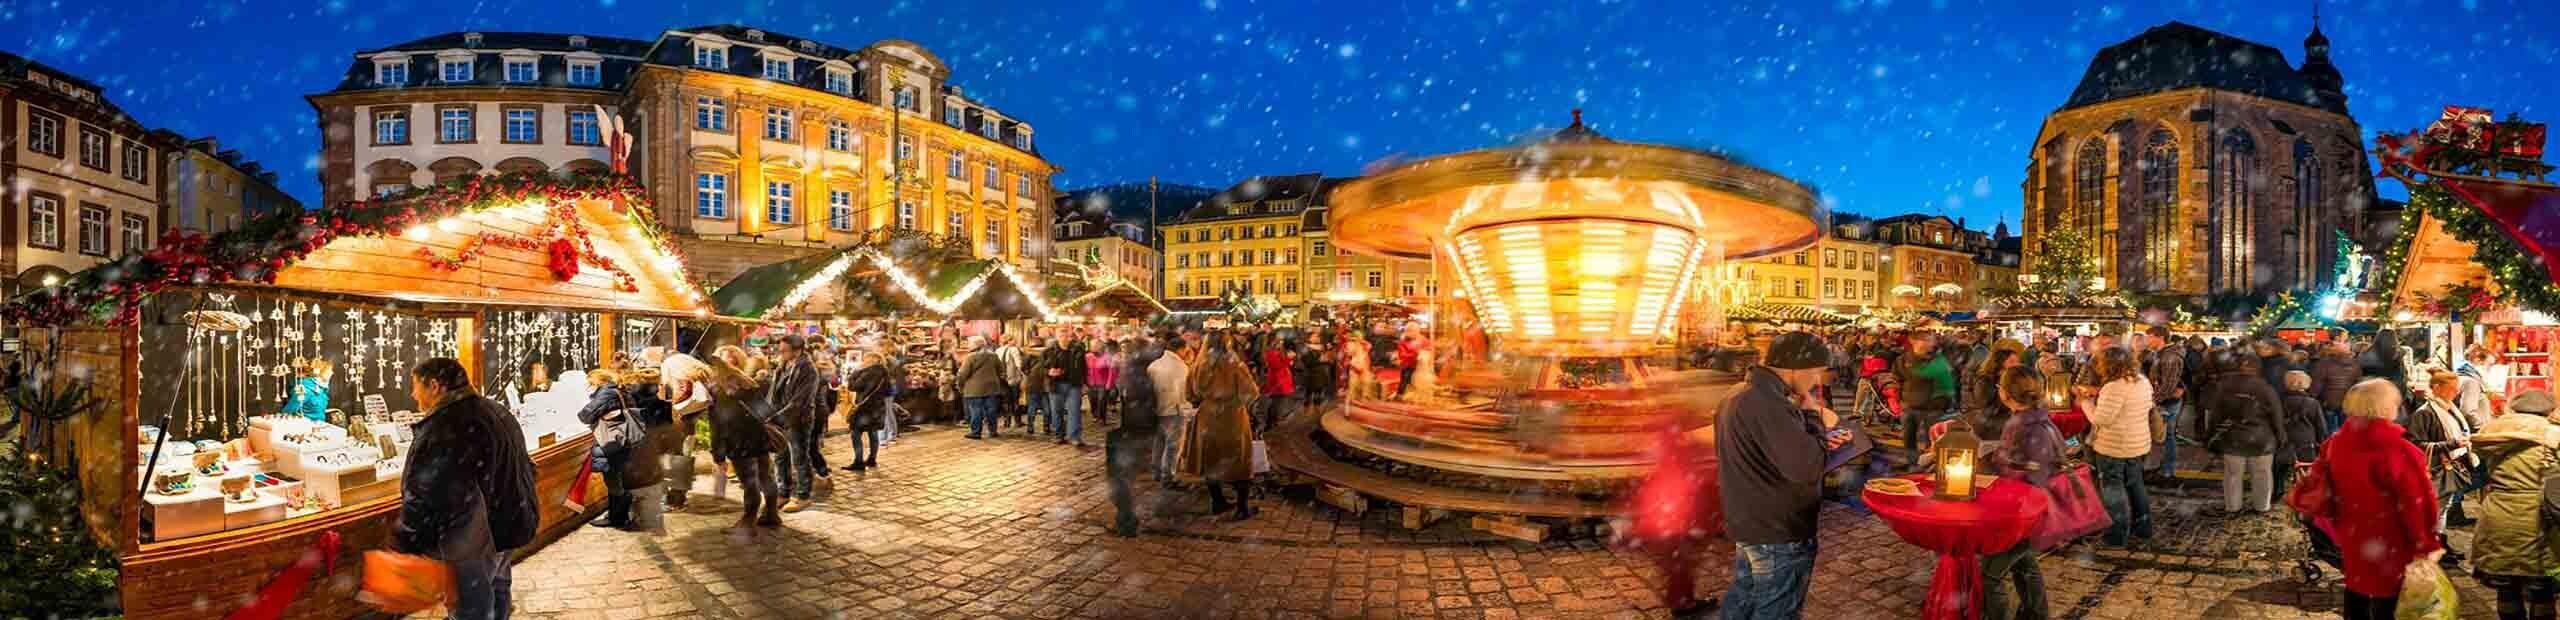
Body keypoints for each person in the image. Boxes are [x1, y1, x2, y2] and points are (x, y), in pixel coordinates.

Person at [393, 358, 538, 620]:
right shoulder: (497, 411)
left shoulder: (445, 425)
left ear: (435, 386)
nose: (413, 395)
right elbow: (525, 466)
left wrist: (408, 539)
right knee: (499, 588)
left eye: (416, 387)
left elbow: (426, 490)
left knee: (471, 608)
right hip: (509, 522)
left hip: (474, 538)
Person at [1716, 332, 1847, 620]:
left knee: (1745, 599)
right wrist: (1815, 418)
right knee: (1776, 610)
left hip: (1750, 519)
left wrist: (1809, 434)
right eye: (1814, 373)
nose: (1815, 382)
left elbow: (1767, 452)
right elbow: (1806, 468)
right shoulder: (1770, 405)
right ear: (1795, 369)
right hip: (1778, 528)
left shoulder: (1739, 394)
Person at [2320, 379, 2445, 620]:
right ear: (2387, 407)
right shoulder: (2398, 450)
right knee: (2387, 594)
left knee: (2357, 585)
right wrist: (2425, 542)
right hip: (2390, 535)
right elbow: (2417, 501)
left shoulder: (2335, 444)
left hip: (2352, 530)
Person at [2469, 391, 2560, 620]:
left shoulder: (2492, 432)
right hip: (2539, 520)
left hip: (2497, 514)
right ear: (2548, 410)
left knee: (2506, 588)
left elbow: (2479, 473)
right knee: (2542, 590)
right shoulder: (2554, 435)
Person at [1981, 367, 2059, 620]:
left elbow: (2013, 468)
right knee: (2024, 562)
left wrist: (1989, 461)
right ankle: (2036, 613)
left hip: (2021, 507)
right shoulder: (2040, 417)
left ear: (2005, 394)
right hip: (2037, 503)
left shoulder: (2019, 423)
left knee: (1990, 575)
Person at [1181, 331, 1260, 520]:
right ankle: (1242, 507)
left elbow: (1190, 395)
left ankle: (1217, 501)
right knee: (1240, 460)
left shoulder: (1198, 366)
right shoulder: (1235, 365)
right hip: (1232, 416)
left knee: (1211, 458)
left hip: (1207, 416)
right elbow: (1251, 393)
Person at [2086, 346, 2155, 547]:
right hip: (2137, 444)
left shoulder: (2114, 386)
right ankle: (2143, 527)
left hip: (2114, 446)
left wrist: (2086, 404)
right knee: (2135, 484)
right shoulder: (2142, 381)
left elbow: (2101, 419)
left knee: (2112, 489)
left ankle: (2116, 535)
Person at [2203, 349, 2286, 514]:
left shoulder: (2224, 386)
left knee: (2233, 475)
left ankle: (2233, 507)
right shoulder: (2265, 388)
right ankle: (2262, 506)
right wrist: (2281, 436)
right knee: (2262, 474)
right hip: (2262, 438)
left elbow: (2215, 415)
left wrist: (2210, 436)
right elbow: (2277, 416)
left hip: (2233, 437)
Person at [2413, 369, 2481, 552]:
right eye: (2452, 388)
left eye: (2456, 388)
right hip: (2437, 468)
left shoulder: (2448, 408)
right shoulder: (2425, 413)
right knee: (2436, 510)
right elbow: (2417, 444)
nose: (2456, 392)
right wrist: (2452, 444)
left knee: (2443, 509)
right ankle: (2434, 547)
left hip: (2450, 465)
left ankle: (2440, 545)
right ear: (2437, 388)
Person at [1107, 337, 1164, 537]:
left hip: (1131, 430)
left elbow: (1132, 401)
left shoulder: (1134, 373)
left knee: (1121, 478)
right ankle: (1127, 519)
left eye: (1125, 351)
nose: (1122, 355)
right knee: (1127, 478)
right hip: (1141, 428)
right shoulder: (1146, 370)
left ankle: (1126, 522)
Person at [765, 336, 828, 513]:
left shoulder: (808, 370)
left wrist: (777, 417)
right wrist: (767, 413)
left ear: (797, 350)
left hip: (798, 420)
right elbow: (773, 393)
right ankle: (783, 492)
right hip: (779, 418)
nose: (780, 353)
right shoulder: (782, 366)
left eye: (784, 350)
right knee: (780, 456)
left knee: (799, 457)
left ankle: (803, 496)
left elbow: (800, 401)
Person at [577, 368, 637, 529]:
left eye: (591, 383)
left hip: (612, 442)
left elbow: (585, 415)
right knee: (617, 478)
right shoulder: (619, 389)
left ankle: (617, 518)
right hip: (624, 440)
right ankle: (619, 515)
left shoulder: (606, 393)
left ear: (598, 380)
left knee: (613, 478)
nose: (590, 386)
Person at [1894, 332, 1956, 469]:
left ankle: (1929, 466)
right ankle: (1912, 462)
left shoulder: (1939, 358)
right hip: (1910, 404)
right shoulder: (1904, 359)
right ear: (1913, 341)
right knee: (1908, 437)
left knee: (1933, 440)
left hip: (1934, 407)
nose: (1929, 343)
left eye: (1930, 340)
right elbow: (1898, 377)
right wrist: (1900, 400)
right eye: (1925, 339)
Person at [1149, 331, 1194, 486]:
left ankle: (1156, 472)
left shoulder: (1154, 365)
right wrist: (1187, 410)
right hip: (1174, 410)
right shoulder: (1181, 367)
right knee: (1173, 446)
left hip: (1157, 409)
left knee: (1159, 442)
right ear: (1180, 350)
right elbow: (1182, 393)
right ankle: (1168, 476)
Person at [2145, 328, 2189, 475]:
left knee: (2166, 435)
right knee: (2165, 435)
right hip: (2166, 400)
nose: (2147, 340)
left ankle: (2167, 469)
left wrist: (2154, 400)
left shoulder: (2169, 356)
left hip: (2167, 402)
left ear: (2160, 337)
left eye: (2149, 337)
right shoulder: (2162, 354)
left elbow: (2168, 385)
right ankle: (2166, 467)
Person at [2276, 370, 2325, 496]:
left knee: (2279, 469)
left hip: (2284, 439)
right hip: (2306, 441)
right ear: (2306, 384)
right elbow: (2320, 426)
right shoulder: (2313, 403)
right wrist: (2322, 443)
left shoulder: (2278, 401)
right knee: (2307, 470)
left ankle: (2277, 491)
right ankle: (2306, 494)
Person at [842, 351, 891, 471]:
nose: (863, 361)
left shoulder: (868, 372)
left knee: (855, 433)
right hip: (878, 407)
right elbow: (888, 391)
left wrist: (856, 372)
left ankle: (858, 461)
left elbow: (852, 386)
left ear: (872, 359)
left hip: (864, 408)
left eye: (866, 359)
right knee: (873, 432)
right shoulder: (885, 372)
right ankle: (872, 459)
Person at [956, 337, 1006, 440]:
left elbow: (963, 374)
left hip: (974, 389)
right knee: (991, 410)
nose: (968, 345)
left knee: (976, 410)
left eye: (969, 343)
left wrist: (960, 385)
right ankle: (993, 431)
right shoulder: (993, 355)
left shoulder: (970, 357)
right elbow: (1001, 370)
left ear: (975, 345)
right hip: (992, 387)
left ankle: (976, 432)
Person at [1044, 334, 1090, 446]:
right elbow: (1041, 367)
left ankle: (1074, 436)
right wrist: (1049, 372)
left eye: (1067, 335)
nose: (1065, 338)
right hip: (1056, 384)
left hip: (1074, 384)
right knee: (1056, 410)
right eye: (1062, 335)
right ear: (1058, 337)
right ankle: (1058, 435)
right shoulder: (1048, 351)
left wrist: (1085, 383)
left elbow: (1084, 368)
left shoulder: (1078, 350)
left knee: (1074, 411)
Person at [2312, 341, 2359, 434]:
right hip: (2348, 400)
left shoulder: (2324, 363)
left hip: (2329, 401)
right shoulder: (2355, 363)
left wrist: (2313, 395)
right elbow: (2356, 381)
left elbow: (2317, 383)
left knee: (2330, 430)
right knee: (2347, 429)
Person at [1257, 335, 1298, 434]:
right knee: (1277, 404)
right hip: (1278, 382)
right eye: (1279, 341)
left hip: (1281, 381)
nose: (1281, 343)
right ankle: (1270, 424)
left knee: (1279, 402)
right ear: (1273, 342)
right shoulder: (1270, 352)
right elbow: (1277, 366)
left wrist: (1289, 359)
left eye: (1281, 341)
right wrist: (1289, 359)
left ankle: (1273, 422)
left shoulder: (1278, 351)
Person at [283, 358, 333, 423]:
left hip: (319, 426)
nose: (332, 373)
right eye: (329, 371)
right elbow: (288, 411)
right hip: (306, 429)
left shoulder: (322, 388)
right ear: (321, 371)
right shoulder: (305, 388)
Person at [1087, 340, 1120, 424]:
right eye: (1091, 346)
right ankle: (1095, 415)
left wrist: (1109, 383)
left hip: (1103, 384)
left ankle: (1102, 418)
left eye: (1095, 346)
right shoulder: (1088, 356)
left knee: (1102, 400)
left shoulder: (1107, 357)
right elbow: (1084, 370)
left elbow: (1112, 371)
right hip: (1091, 383)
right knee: (1092, 400)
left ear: (1100, 347)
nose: (1092, 348)